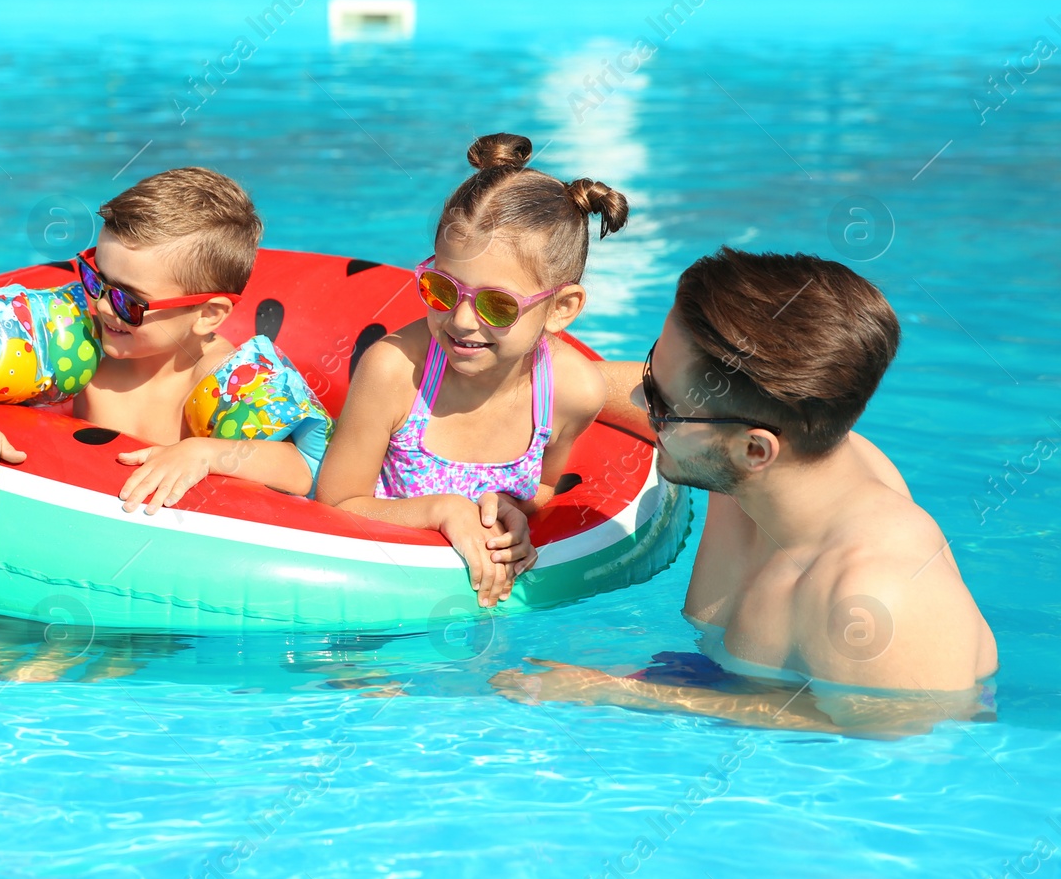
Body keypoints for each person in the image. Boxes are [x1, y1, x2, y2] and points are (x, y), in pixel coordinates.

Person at [492, 248, 999, 732]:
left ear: (755, 451)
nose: (635, 399)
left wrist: (614, 692)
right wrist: (500, 392)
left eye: (660, 403)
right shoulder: (764, 453)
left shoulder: (881, 599)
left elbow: (894, 740)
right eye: (650, 372)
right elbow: (585, 387)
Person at [315, 133, 626, 608]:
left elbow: (544, 486)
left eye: (497, 304)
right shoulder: (396, 370)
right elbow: (335, 506)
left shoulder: (571, 392)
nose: (460, 319)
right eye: (442, 288)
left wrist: (515, 511)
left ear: (562, 308)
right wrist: (442, 511)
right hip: (370, 592)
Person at [0, 167, 331, 517]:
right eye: (94, 278)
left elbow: (300, 468)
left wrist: (206, 453)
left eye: (129, 301)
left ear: (209, 314)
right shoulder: (83, 337)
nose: (103, 306)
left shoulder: (228, 377)